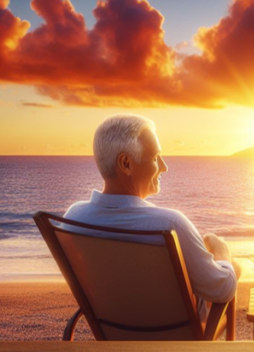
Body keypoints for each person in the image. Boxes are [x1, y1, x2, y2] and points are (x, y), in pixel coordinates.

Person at [63, 115, 240, 316]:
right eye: (155, 157)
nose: (164, 166)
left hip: (113, 327)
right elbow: (220, 289)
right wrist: (223, 252)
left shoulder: (74, 218)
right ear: (126, 163)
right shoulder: (169, 224)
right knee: (232, 271)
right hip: (175, 335)